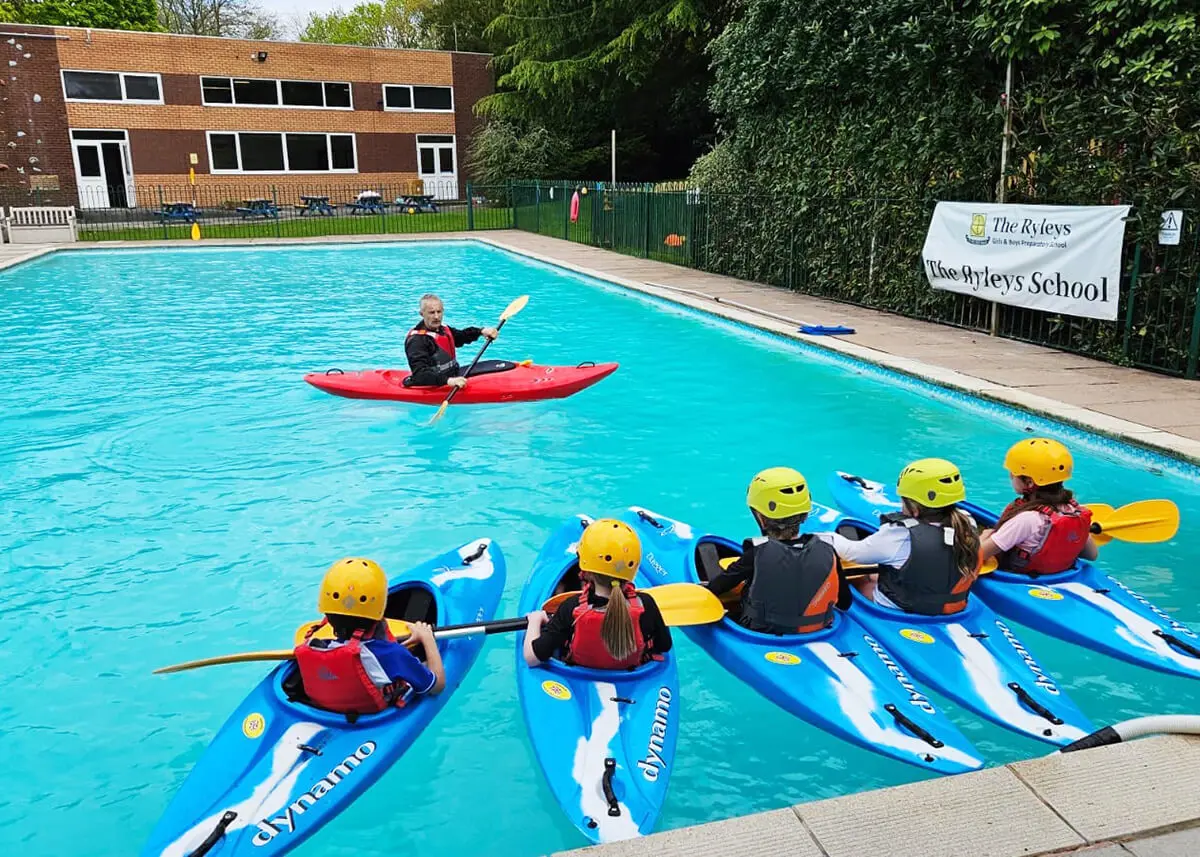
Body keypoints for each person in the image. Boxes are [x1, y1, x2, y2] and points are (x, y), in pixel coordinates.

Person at [818, 458, 981, 615]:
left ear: (914, 507)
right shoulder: (968, 522)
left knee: (859, 580)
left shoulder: (899, 534)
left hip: (900, 607)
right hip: (951, 605)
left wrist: (827, 537)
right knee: (882, 573)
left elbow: (852, 553)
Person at [294, 557, 445, 714]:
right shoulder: (392, 654)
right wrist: (427, 638)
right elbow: (436, 686)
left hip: (327, 711)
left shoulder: (315, 644)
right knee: (425, 662)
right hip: (373, 715)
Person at [705, 467, 840, 634]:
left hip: (763, 632)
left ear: (760, 518)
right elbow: (845, 602)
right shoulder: (828, 547)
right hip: (819, 629)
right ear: (805, 515)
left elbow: (715, 588)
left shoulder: (756, 553)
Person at [524, 519, 673, 669]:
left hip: (579, 676)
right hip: (632, 676)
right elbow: (664, 646)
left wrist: (535, 620)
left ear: (586, 572)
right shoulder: (646, 604)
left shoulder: (571, 608)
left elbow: (532, 658)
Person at [979, 438, 1099, 575]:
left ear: (1029, 482)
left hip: (1018, 579)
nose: (1011, 477)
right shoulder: (1073, 511)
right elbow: (1092, 555)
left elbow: (977, 556)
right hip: (1059, 577)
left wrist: (983, 537)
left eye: (1013, 474)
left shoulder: (1026, 519)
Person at [404, 293, 498, 389]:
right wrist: (449, 381)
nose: (436, 317)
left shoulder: (443, 329)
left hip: (451, 376)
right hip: (432, 384)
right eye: (432, 313)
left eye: (439, 312)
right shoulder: (417, 340)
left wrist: (481, 331)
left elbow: (461, 336)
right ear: (422, 314)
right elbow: (420, 374)